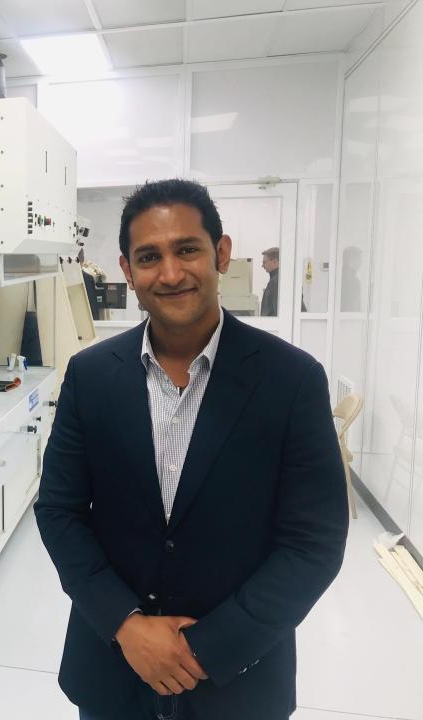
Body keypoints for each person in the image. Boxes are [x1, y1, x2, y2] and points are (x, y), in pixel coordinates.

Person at [34, 179, 348, 720]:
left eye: (187, 249)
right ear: (127, 271)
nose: (171, 273)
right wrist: (126, 627)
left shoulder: (290, 381)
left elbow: (312, 543)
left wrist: (203, 650)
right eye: (149, 257)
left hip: (237, 683)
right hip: (113, 672)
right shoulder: (90, 376)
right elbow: (59, 513)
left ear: (220, 254)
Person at [260, 247, 280, 316]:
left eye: (264, 262)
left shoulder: (276, 282)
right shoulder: (279, 280)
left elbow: (275, 313)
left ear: (275, 262)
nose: (262, 266)